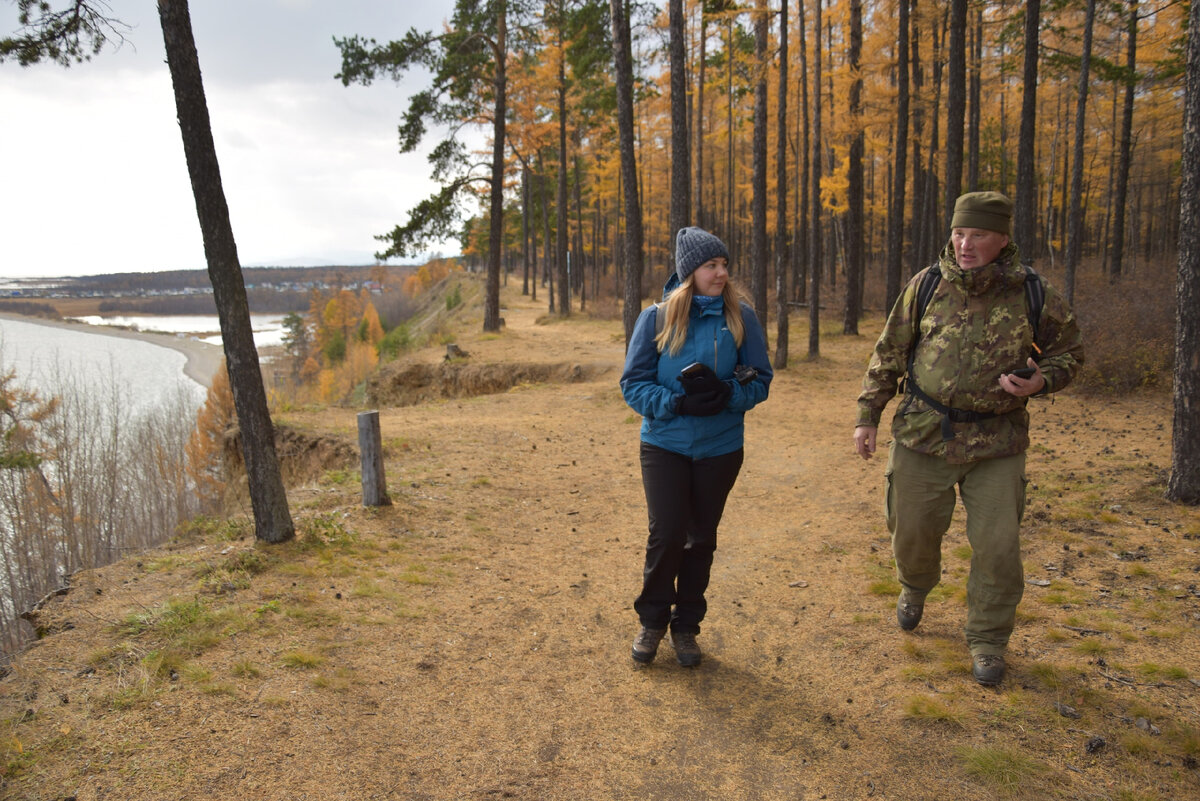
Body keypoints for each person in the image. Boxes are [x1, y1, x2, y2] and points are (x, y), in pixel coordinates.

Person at [853, 191, 1083, 686]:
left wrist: (1042, 380)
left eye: (977, 234)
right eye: (959, 232)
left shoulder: (1032, 291)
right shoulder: (928, 285)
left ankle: (988, 641)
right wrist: (868, 414)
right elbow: (889, 351)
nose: (965, 243)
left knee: (999, 548)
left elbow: (1070, 353)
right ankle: (914, 587)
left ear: (1002, 238)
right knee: (911, 532)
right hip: (922, 434)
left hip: (997, 443)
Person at [620, 226, 773, 667]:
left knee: (700, 538)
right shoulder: (656, 318)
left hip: (721, 447)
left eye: (724, 264)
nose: (722, 273)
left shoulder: (742, 318)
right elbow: (633, 385)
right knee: (666, 534)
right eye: (712, 265)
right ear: (690, 272)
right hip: (664, 443)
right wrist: (677, 402)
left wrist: (730, 395)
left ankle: (686, 627)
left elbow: (760, 380)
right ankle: (652, 620)